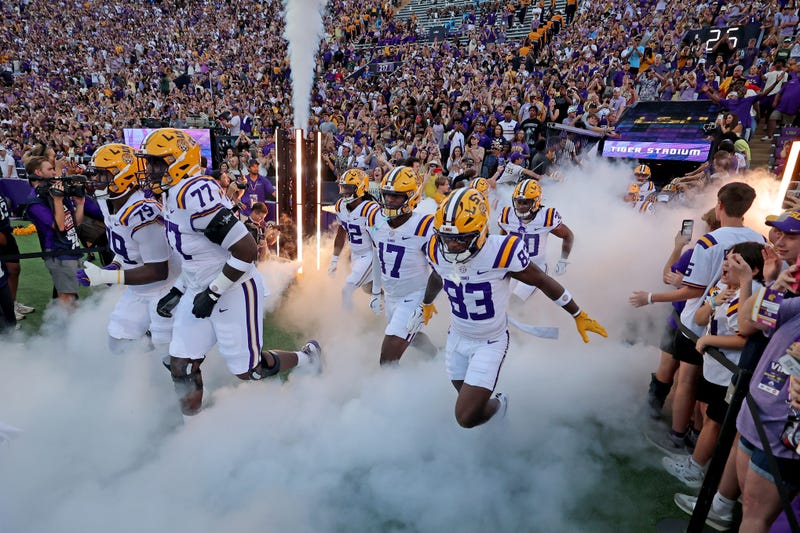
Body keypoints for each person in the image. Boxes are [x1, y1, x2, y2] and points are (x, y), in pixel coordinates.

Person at [137, 128, 321, 417]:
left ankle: (307, 358)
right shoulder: (172, 194)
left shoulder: (194, 194)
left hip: (234, 288)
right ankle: (193, 430)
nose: (150, 169)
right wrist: (179, 289)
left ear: (179, 161)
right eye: (149, 162)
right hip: (201, 288)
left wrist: (212, 293)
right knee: (180, 364)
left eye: (157, 162)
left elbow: (246, 251)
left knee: (250, 371)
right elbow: (197, 256)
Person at [410, 188, 607, 428]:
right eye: (446, 237)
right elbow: (439, 275)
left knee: (465, 417)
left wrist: (578, 313)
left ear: (481, 231)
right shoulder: (436, 248)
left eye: (460, 238)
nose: (451, 245)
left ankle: (502, 405)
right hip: (456, 337)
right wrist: (427, 303)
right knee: (467, 397)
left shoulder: (501, 251)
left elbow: (542, 280)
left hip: (489, 342)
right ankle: (491, 417)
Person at [630, 182, 765, 456]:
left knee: (689, 381)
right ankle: (695, 433)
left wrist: (651, 297)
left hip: (700, 323)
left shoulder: (709, 242)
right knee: (708, 388)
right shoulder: (760, 240)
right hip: (735, 320)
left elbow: (693, 289)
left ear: (720, 205)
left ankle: (678, 437)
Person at [662, 242, 765, 489]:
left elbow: (744, 338)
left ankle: (697, 470)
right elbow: (698, 317)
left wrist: (709, 339)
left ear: (754, 270)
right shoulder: (722, 286)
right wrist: (714, 302)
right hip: (714, 368)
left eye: (735, 261)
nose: (726, 265)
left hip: (729, 372)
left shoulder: (752, 295)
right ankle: (700, 459)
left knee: (715, 422)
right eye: (726, 259)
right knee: (707, 414)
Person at [74, 143, 176, 354]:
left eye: (102, 174)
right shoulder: (108, 201)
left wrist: (107, 277)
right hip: (140, 287)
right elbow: (127, 249)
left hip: (166, 288)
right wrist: (114, 265)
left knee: (170, 353)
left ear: (123, 175)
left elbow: (159, 270)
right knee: (119, 342)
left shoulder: (143, 212)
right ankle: (144, 375)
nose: (97, 180)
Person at [366, 165, 437, 365]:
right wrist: (375, 291)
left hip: (414, 295)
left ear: (411, 197)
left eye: (396, 196)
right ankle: (436, 356)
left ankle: (390, 394)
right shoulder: (375, 218)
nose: (389, 200)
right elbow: (377, 255)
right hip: (391, 295)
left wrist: (426, 304)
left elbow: (441, 271)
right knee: (411, 338)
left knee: (388, 357)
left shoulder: (424, 226)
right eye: (387, 195)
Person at [24, 155, 86, 308]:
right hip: (58, 252)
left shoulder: (55, 191)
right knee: (67, 297)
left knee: (69, 295)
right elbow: (60, 226)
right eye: (50, 169)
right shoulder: (35, 202)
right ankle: (65, 329)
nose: (54, 173)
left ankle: (64, 326)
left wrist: (80, 204)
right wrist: (58, 200)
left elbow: (74, 223)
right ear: (38, 172)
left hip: (71, 248)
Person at [497, 179, 574, 302]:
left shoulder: (546, 217)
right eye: (518, 202)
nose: (521, 206)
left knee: (514, 303)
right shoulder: (507, 215)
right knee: (499, 300)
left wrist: (563, 260)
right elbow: (502, 235)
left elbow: (568, 235)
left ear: (536, 202)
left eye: (526, 203)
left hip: (534, 269)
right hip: (511, 266)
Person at [329, 168, 381, 309]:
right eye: (343, 187)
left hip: (371, 254)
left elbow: (379, 239)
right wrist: (335, 259)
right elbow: (341, 233)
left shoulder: (370, 209)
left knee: (347, 289)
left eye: (349, 188)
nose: (345, 191)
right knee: (367, 288)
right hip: (356, 254)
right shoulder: (341, 205)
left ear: (360, 188)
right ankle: (388, 303)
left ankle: (347, 324)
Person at [0, 195, 34, 321]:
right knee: (2, 274)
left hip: (5, 230)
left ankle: (12, 304)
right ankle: (5, 312)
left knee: (14, 269)